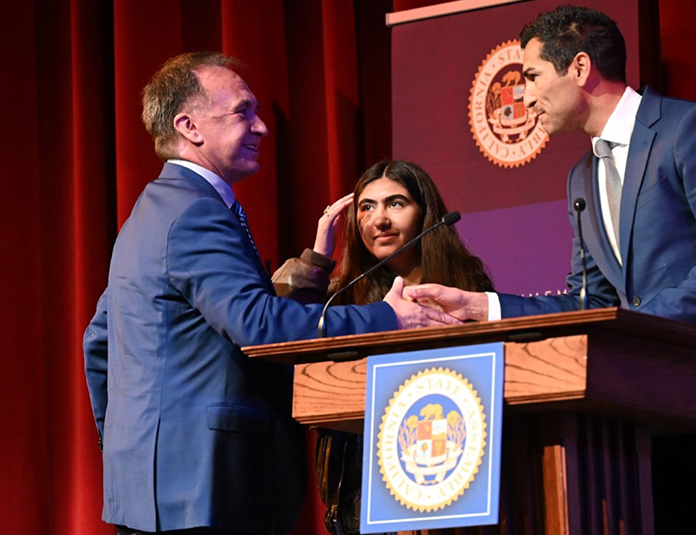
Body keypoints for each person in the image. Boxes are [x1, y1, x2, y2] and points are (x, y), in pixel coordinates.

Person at [404, 5, 696, 534]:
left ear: (580, 67)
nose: (521, 96)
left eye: (530, 76)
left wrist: (642, 328)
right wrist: (485, 307)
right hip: (651, 405)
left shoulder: (691, 130)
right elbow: (588, 299)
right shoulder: (582, 177)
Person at [82, 53, 458, 535]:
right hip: (209, 491)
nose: (261, 126)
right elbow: (259, 325)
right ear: (189, 126)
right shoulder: (196, 213)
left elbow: (99, 343)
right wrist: (389, 317)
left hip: (151, 496)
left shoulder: (146, 217)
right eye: (243, 112)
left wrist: (127, 448)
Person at [271, 159, 493, 534]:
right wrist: (317, 259)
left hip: (442, 471)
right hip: (357, 484)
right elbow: (285, 335)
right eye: (367, 207)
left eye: (396, 203)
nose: (380, 220)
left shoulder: (462, 284)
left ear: (425, 212)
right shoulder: (342, 291)